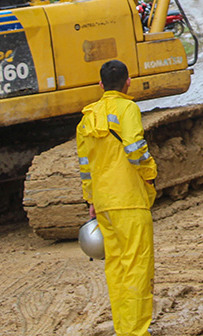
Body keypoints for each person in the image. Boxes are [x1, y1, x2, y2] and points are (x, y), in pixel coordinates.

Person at [76, 59, 158, 336]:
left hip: (104, 204)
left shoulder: (88, 117)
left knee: (117, 269)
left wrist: (91, 200)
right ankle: (136, 332)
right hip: (129, 200)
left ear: (100, 85)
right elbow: (135, 148)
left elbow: (85, 166)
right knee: (137, 266)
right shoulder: (128, 108)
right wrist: (150, 172)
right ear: (128, 82)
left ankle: (125, 330)